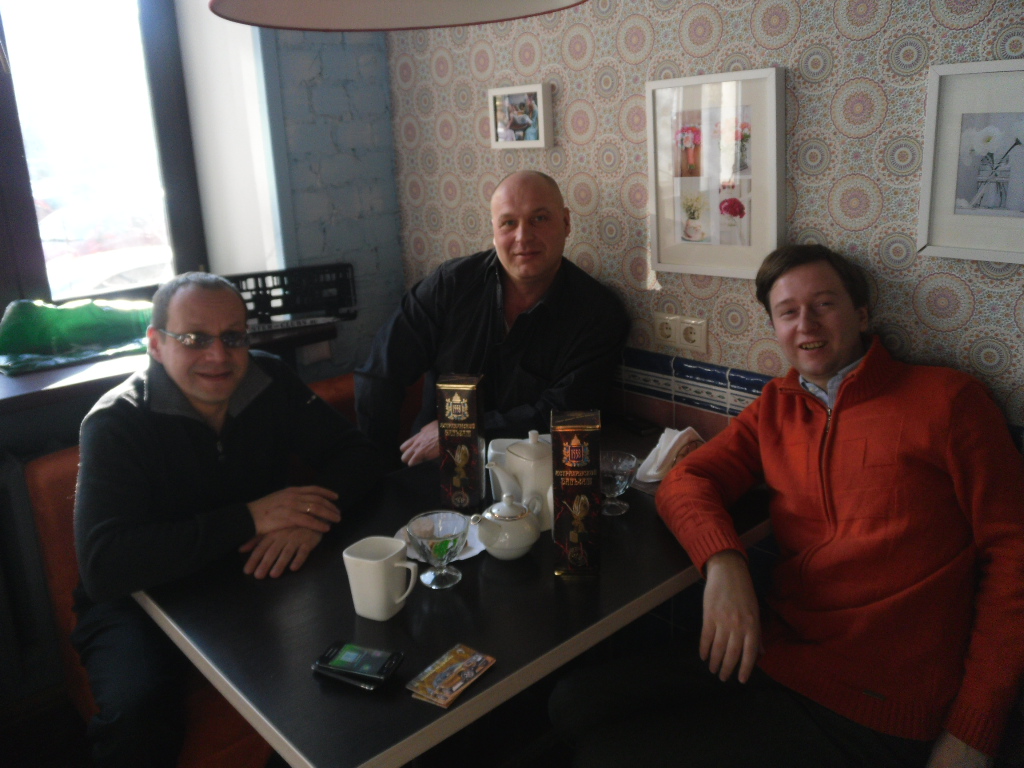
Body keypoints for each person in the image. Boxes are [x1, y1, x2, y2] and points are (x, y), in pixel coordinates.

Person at [550, 244, 1024, 767]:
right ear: (774, 327)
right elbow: (685, 481)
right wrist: (724, 564)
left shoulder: (948, 402)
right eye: (788, 312)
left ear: (862, 314)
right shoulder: (778, 406)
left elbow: (1015, 558)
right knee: (571, 703)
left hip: (878, 704)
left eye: (824, 304)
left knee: (603, 755)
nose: (807, 325)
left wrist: (972, 734)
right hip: (779, 650)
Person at [72, 272, 383, 767]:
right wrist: (250, 518)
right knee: (138, 711)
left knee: (360, 656)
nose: (218, 355)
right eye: (194, 338)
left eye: (233, 337)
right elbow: (105, 565)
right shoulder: (116, 422)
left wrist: (308, 517)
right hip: (141, 599)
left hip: (252, 574)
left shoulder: (269, 380)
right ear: (156, 343)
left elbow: (357, 454)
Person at [355, 170, 629, 468]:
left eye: (539, 219)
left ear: (565, 222)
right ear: (494, 230)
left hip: (533, 479)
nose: (523, 237)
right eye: (509, 223)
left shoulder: (597, 314)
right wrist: (378, 469)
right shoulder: (449, 286)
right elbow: (380, 375)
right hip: (435, 470)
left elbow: (562, 414)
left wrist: (460, 431)